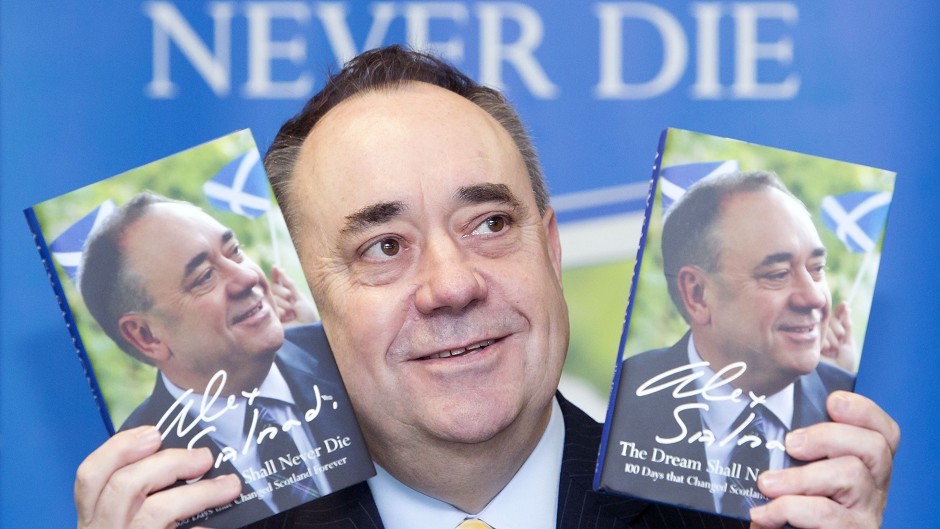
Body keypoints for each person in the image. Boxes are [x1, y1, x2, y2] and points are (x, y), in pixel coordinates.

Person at [74, 46, 899, 529]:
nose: (452, 284)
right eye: (383, 244)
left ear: (549, 245)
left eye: (491, 224)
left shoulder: (743, 511)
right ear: (307, 295)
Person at [77, 192, 370, 527]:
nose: (247, 277)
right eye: (204, 277)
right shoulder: (135, 491)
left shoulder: (350, 350)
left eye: (235, 251)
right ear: (146, 336)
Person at [601, 171, 862, 518]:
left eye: (817, 269)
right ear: (698, 294)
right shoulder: (617, 402)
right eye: (778, 274)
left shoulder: (853, 419)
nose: (814, 296)